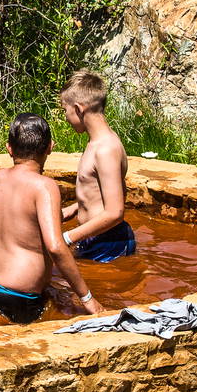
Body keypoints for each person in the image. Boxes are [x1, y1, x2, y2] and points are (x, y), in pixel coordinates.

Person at [0, 114, 105, 324]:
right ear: (50, 147)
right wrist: (87, 298)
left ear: (9, 148)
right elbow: (55, 247)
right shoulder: (45, 186)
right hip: (20, 295)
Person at [57, 71, 135, 262]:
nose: (65, 117)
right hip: (95, 238)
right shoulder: (97, 142)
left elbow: (115, 212)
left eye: (65, 110)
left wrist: (67, 238)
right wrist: (75, 208)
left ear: (78, 109)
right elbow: (100, 193)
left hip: (108, 243)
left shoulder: (106, 149)